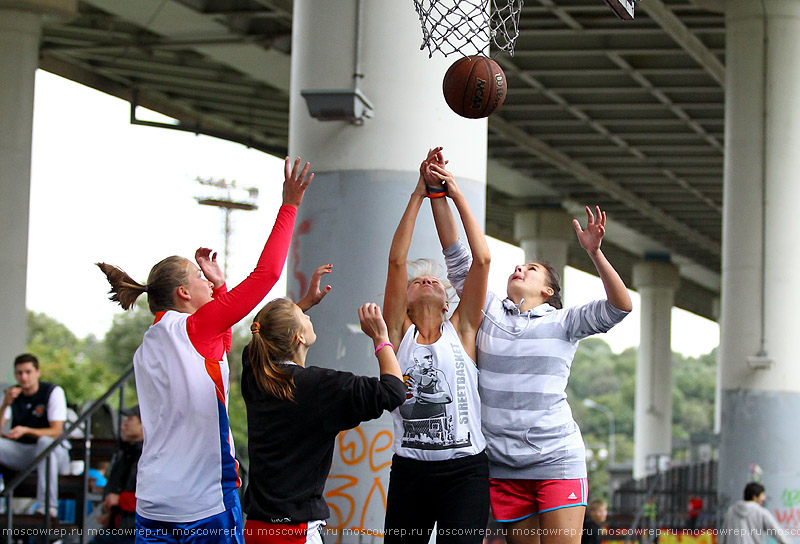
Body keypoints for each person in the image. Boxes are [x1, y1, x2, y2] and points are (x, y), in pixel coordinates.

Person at [96, 156, 313, 544]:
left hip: (153, 502)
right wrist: (289, 204)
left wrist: (221, 288)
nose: (205, 280)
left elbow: (218, 355)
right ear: (183, 293)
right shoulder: (197, 326)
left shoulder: (148, 344)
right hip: (204, 501)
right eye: (198, 276)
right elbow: (267, 276)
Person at [430, 148, 632, 544]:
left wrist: (594, 252)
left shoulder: (564, 322)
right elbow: (457, 255)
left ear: (548, 289)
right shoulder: (487, 310)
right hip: (503, 465)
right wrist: (440, 194)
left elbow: (620, 306)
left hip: (557, 459)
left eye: (532, 268)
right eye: (518, 266)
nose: (519, 267)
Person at [382, 149, 491, 543]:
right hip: (411, 470)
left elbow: (481, 260)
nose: (427, 280)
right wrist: (418, 193)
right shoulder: (396, 334)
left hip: (465, 471)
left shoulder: (462, 329)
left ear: (449, 302)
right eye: (417, 281)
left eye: (437, 281)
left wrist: (453, 193)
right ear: (405, 302)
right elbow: (397, 262)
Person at [240, 284, 405, 544]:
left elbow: (263, 339)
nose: (308, 316)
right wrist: (380, 338)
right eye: (304, 316)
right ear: (299, 337)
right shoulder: (318, 386)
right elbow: (394, 392)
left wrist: (303, 304)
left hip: (256, 529)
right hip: (294, 533)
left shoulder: (256, 375)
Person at [0, 353, 71, 518]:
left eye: (28, 372)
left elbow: (56, 432)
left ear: (37, 372)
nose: (24, 377)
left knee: (45, 442)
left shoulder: (52, 392)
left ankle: (47, 508)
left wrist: (26, 430)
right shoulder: (12, 394)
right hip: (25, 454)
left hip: (55, 455)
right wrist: (5, 404)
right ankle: (1, 506)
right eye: (19, 373)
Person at [93, 405, 144, 544]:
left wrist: (120, 500)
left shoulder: (150, 456)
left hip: (136, 531)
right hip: (117, 527)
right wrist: (109, 512)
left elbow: (156, 497)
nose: (123, 426)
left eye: (129, 420)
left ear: (143, 424)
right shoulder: (124, 452)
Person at [718, 482, 789, 544]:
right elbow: (778, 533)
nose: (764, 498)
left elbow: (723, 537)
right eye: (762, 495)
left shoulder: (730, 511)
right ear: (755, 497)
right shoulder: (761, 512)